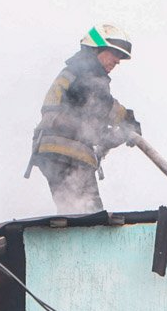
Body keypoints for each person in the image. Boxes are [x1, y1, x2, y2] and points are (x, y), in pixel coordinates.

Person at [27, 24, 142, 214]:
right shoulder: (87, 74)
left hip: (54, 150)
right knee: (90, 216)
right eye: (114, 53)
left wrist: (121, 135)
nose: (117, 61)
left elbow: (93, 129)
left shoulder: (75, 75)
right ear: (96, 49)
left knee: (72, 210)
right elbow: (104, 104)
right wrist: (127, 118)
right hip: (67, 152)